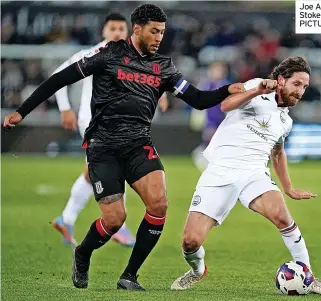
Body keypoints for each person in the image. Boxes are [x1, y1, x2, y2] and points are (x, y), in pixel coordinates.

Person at [3, 4, 245, 291]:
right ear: (138, 29)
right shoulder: (109, 54)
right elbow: (59, 79)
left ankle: (129, 275)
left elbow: (199, 100)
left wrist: (226, 90)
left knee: (159, 203)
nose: (158, 38)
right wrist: (22, 111)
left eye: (163, 32)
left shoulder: (164, 67)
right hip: (103, 146)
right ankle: (83, 252)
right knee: (115, 219)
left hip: (138, 144)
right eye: (154, 31)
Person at [170, 57, 321, 295]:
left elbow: (278, 153)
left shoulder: (285, 120)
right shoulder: (257, 85)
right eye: (297, 84)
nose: (301, 91)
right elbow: (225, 106)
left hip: (254, 173)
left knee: (282, 217)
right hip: (221, 171)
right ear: (281, 80)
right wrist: (257, 90)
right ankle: (197, 270)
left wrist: (288, 188)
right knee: (190, 242)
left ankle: (308, 276)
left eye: (304, 87)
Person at [50, 12, 136, 248]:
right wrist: (65, 108)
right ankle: (118, 224)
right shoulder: (92, 54)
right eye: (113, 29)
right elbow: (59, 76)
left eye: (121, 29)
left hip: (117, 122)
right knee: (118, 165)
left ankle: (66, 219)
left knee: (93, 171)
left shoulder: (131, 56)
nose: (117, 33)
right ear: (104, 32)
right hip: (93, 121)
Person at [191, 62, 230, 171]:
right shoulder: (206, 85)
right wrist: (197, 116)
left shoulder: (227, 85)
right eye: (216, 70)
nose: (219, 73)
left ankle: (206, 158)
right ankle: (201, 156)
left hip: (223, 119)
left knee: (219, 143)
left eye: (221, 70)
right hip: (211, 119)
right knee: (211, 140)